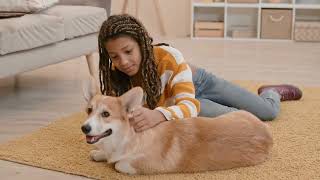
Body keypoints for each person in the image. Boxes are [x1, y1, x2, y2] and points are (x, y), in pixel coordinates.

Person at [97, 14, 302, 132]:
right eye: (114, 56)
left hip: (200, 84)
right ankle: (233, 106)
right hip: (186, 104)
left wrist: (158, 114)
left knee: (268, 113)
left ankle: (272, 92)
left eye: (128, 51)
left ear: (142, 44)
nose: (123, 62)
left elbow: (187, 104)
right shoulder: (117, 75)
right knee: (243, 121)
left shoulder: (169, 57)